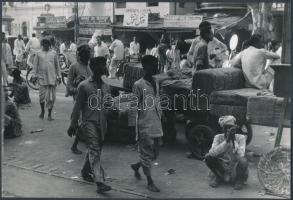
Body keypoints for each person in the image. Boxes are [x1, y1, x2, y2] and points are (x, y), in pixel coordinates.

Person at [67, 57, 112, 194]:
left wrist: (111, 105)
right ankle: (100, 182)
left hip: (102, 123)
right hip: (88, 122)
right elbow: (77, 107)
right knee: (94, 149)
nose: (105, 67)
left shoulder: (106, 86)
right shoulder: (84, 86)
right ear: (94, 67)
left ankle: (85, 171)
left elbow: (108, 105)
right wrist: (73, 124)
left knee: (96, 149)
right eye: (102, 65)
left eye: (105, 65)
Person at [130, 55, 163, 192]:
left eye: (157, 64)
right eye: (154, 65)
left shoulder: (155, 81)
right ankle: (150, 181)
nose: (157, 67)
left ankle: (137, 166)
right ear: (146, 67)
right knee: (146, 152)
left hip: (156, 121)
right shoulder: (139, 85)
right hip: (144, 124)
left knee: (155, 152)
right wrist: (133, 128)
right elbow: (133, 107)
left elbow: (157, 100)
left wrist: (162, 115)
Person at [205, 115, 248, 190]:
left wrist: (233, 140)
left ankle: (239, 180)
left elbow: (241, 155)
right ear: (222, 129)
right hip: (221, 166)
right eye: (226, 128)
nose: (228, 130)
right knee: (208, 157)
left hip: (234, 166)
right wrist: (226, 141)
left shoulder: (241, 137)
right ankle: (218, 176)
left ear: (234, 129)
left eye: (230, 128)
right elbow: (212, 153)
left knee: (243, 161)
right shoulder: (218, 137)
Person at [67, 44, 92, 154]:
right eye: (86, 53)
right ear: (80, 55)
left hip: (90, 99)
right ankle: (74, 146)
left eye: (89, 53)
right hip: (79, 98)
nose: (88, 55)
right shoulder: (74, 66)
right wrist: (76, 89)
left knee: (85, 121)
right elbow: (69, 85)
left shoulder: (90, 66)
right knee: (82, 121)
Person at [32, 38, 61, 121]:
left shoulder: (54, 53)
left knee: (51, 98)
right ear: (42, 45)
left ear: (49, 45)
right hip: (42, 78)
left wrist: (59, 76)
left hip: (52, 78)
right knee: (41, 97)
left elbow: (57, 66)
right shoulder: (38, 53)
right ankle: (42, 111)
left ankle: (49, 115)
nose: (47, 46)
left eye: (48, 45)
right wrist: (34, 76)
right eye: (45, 45)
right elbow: (35, 66)